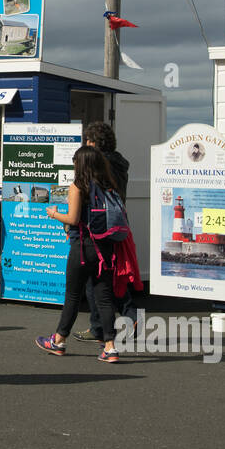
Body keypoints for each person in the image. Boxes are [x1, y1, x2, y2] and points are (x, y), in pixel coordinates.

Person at [37, 146, 123, 361]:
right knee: (104, 297)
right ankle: (110, 346)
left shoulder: (78, 187)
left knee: (73, 295)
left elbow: (74, 219)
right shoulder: (109, 186)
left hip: (83, 247)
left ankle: (58, 340)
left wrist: (55, 213)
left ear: (81, 164)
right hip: (105, 248)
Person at [74, 121, 134, 344]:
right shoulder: (121, 163)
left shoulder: (100, 165)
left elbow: (90, 193)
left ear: (95, 143)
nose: (86, 145)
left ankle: (100, 327)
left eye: (89, 141)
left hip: (99, 226)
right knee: (112, 273)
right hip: (118, 222)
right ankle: (128, 316)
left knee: (95, 279)